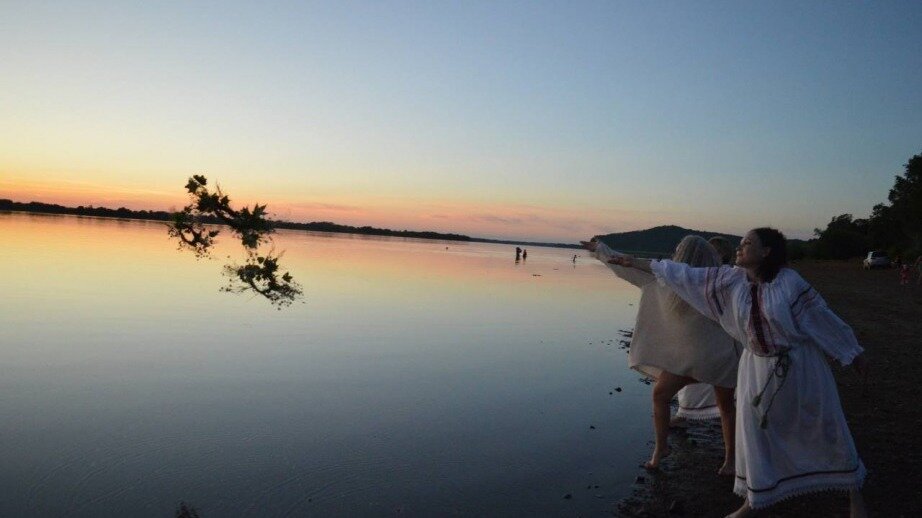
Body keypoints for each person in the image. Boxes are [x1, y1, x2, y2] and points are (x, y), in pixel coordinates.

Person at [608, 227, 868, 518]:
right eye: (741, 242)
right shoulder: (731, 280)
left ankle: (853, 493)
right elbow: (681, 274)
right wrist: (633, 261)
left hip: (799, 368)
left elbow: (820, 316)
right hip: (756, 368)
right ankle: (754, 500)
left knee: (823, 427)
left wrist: (851, 351)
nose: (739, 247)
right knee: (754, 433)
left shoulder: (789, 283)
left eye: (747, 243)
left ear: (766, 252)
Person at [583, 236, 739, 474]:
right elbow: (626, 266)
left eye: (677, 250)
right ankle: (729, 460)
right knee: (726, 407)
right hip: (716, 357)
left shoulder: (682, 280)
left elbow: (623, 267)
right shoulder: (713, 281)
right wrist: (601, 249)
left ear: (682, 256)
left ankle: (662, 450)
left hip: (702, 360)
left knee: (662, 396)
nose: (673, 253)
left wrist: (601, 250)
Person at [673, 236, 740, 426]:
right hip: (702, 337)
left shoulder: (727, 276)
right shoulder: (699, 275)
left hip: (722, 340)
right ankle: (685, 412)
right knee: (689, 378)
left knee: (723, 391)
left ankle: (732, 443)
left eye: (714, 251)